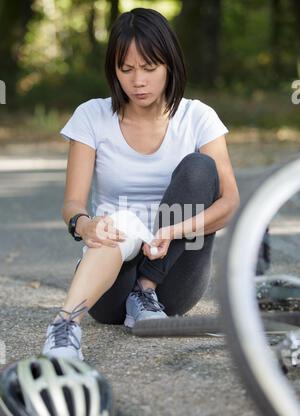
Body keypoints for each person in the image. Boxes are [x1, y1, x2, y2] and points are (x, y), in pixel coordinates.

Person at [42, 8, 240, 361]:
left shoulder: (198, 117)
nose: (138, 81)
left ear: (170, 65)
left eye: (150, 68)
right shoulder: (91, 117)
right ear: (113, 70)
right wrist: (85, 225)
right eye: (126, 69)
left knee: (199, 167)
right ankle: (64, 327)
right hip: (112, 277)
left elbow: (229, 203)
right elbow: (72, 203)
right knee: (119, 223)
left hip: (174, 278)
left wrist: (173, 231)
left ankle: (146, 289)